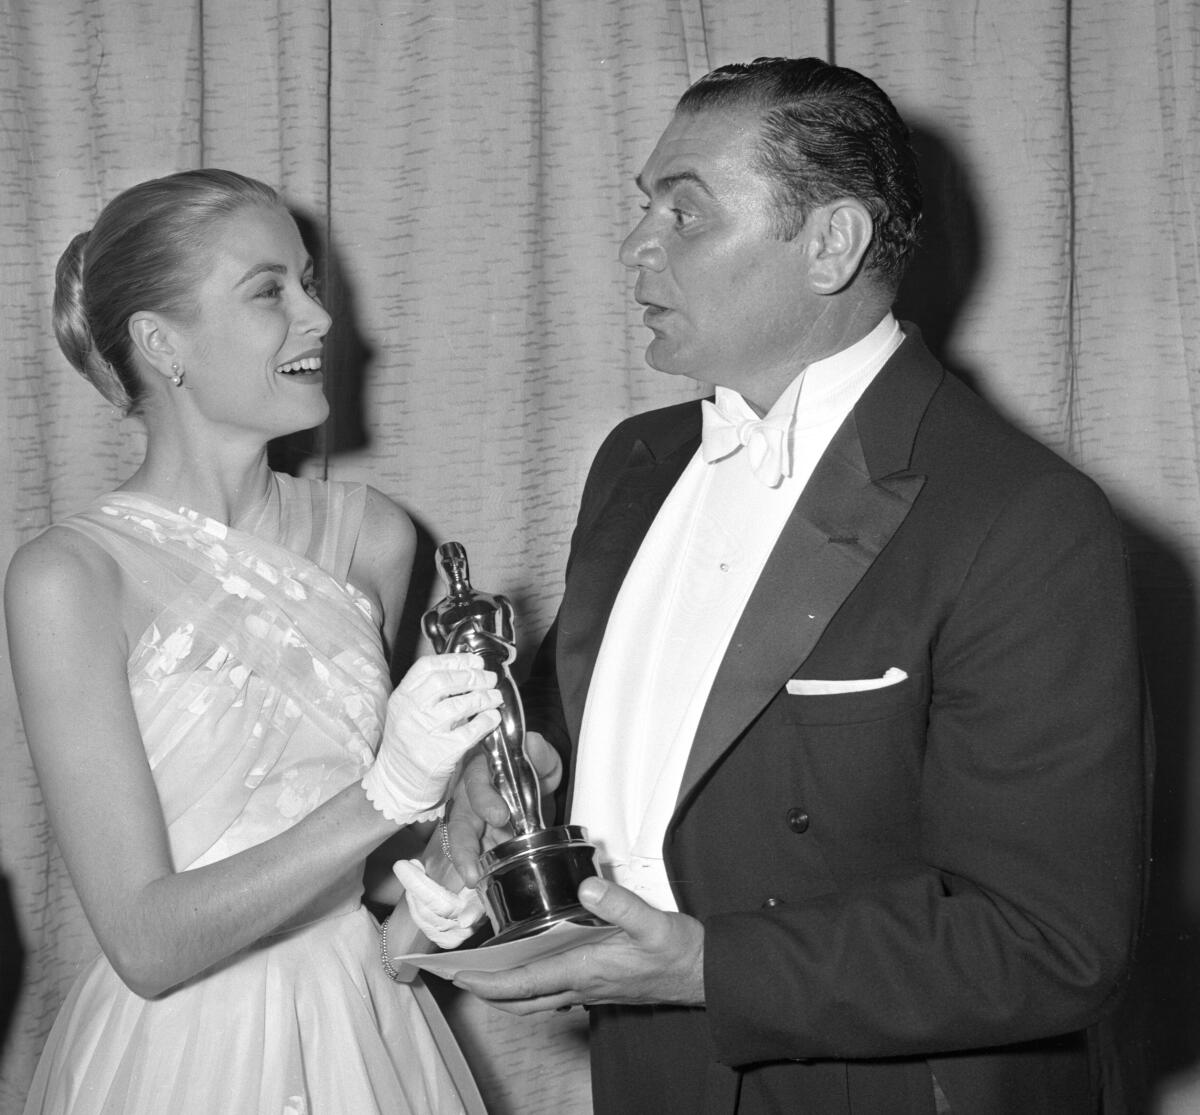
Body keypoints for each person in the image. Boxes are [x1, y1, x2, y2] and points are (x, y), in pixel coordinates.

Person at [441, 57, 1150, 1114]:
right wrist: (507, 782)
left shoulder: (1023, 517)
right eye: (645, 209)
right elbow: (600, 737)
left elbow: (1050, 941)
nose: (636, 247)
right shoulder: (634, 463)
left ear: (832, 244)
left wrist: (698, 967)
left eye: (686, 214)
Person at [6, 169, 504, 1114]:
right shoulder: (69, 578)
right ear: (161, 343)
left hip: (364, 1031)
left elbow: (374, 904)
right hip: (177, 1056)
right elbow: (148, 946)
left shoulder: (376, 538)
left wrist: (454, 859)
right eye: (270, 290)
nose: (321, 320)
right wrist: (389, 792)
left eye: (309, 284)